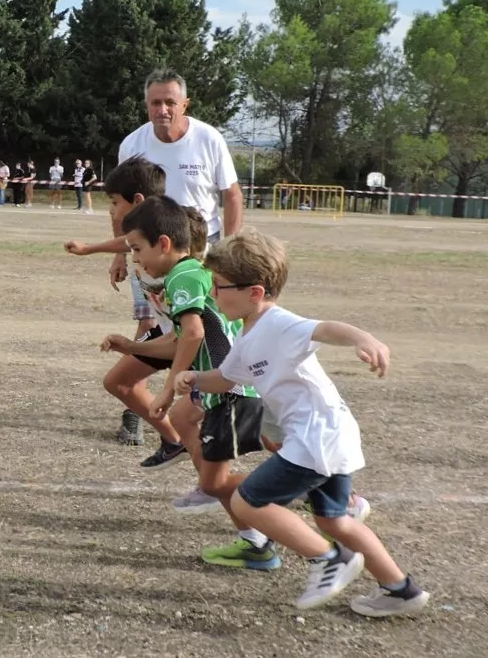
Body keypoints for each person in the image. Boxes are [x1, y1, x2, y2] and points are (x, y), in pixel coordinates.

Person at [178, 228, 429, 617]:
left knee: (247, 503)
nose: (213, 293)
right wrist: (194, 379)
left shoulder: (280, 325)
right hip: (328, 435)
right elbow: (226, 378)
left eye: (220, 286)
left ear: (255, 293)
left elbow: (324, 329)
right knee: (335, 520)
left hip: (317, 437)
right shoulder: (247, 336)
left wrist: (365, 338)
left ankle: (329, 560)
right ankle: (401, 590)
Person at [114, 195, 280, 570]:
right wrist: (129, 344)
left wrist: (169, 387)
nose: (136, 259)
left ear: (165, 244)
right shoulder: (191, 273)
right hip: (222, 386)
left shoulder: (183, 276)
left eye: (138, 249)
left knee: (217, 481)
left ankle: (304, 497)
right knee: (187, 422)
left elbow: (191, 335)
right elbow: (179, 338)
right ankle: (256, 531)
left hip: (230, 390)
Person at [108, 68, 244, 444]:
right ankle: (137, 409)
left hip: (203, 253)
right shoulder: (132, 144)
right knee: (151, 324)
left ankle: (222, 404)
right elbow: (121, 208)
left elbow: (231, 195)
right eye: (155, 102)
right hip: (150, 253)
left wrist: (231, 249)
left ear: (185, 103)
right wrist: (121, 254)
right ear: (146, 104)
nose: (163, 109)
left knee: (209, 328)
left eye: (170, 102)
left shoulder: (208, 138)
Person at [65, 157, 179, 458]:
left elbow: (195, 325)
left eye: (115, 202)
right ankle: (174, 442)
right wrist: (88, 249)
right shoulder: (145, 240)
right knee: (119, 382)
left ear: (138, 201)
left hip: (197, 346)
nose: (112, 211)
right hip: (170, 338)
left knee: (235, 419)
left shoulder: (173, 255)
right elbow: (126, 242)